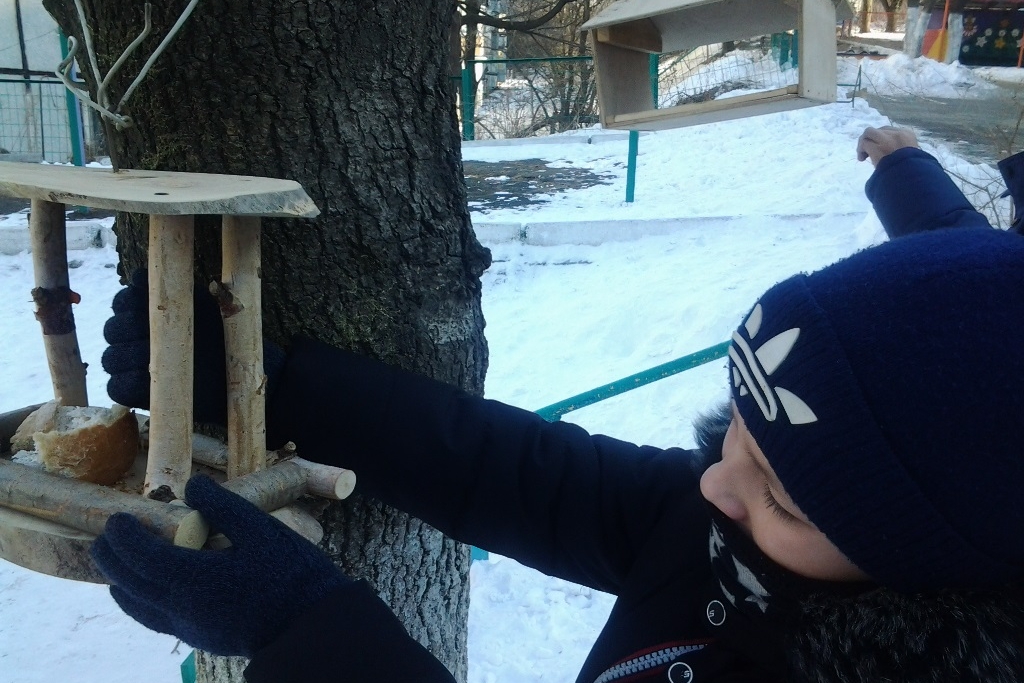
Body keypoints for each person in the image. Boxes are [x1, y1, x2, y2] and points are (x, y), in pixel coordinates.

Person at [93, 127, 1024, 683]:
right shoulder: (731, 522)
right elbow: (519, 473)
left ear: (928, 569)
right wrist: (278, 385)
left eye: (780, 492)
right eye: (738, 427)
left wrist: (305, 634)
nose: (714, 483)